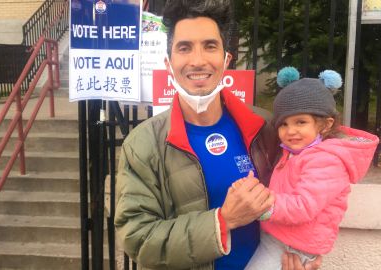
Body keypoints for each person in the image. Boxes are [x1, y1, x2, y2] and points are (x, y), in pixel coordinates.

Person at [115, 0, 321, 269]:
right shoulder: (143, 144)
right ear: (168, 63)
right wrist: (223, 221)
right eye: (184, 47)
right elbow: (138, 239)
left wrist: (302, 254)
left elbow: (307, 193)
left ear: (226, 59)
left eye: (210, 46)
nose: (198, 61)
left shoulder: (267, 128)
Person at [241, 67, 379, 270]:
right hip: (280, 236)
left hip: (292, 247)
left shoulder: (326, 160)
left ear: (325, 124)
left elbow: (304, 206)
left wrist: (262, 205)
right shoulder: (295, 152)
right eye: (283, 124)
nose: (291, 131)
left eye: (301, 122)